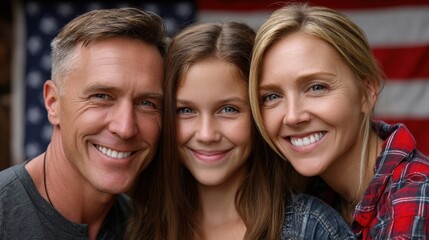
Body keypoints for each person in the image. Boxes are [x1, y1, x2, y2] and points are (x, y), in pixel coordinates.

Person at [127, 21, 356, 240]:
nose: (207, 134)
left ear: (258, 113)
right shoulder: (139, 223)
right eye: (185, 110)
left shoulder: (311, 228)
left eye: (228, 109)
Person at [249, 3, 429, 239]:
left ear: (367, 92)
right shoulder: (307, 192)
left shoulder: (414, 198)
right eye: (272, 96)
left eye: (316, 87)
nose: (292, 116)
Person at [0, 8, 168, 239]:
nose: (125, 127)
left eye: (147, 103)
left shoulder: (147, 230)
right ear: (52, 103)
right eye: (101, 96)